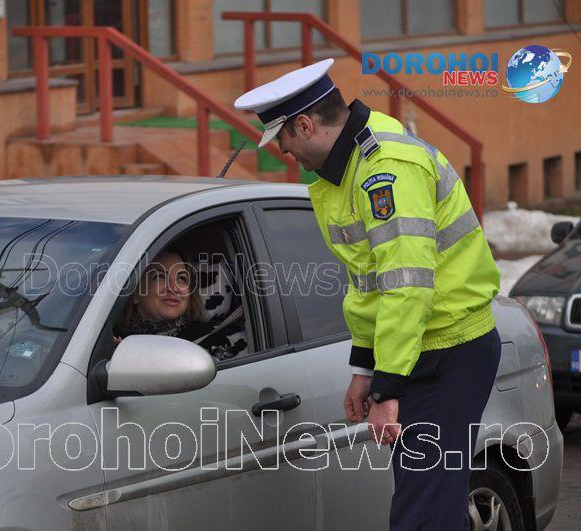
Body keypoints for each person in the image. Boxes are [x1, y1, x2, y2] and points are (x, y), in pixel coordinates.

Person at [235, 58, 501, 530]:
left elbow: (406, 287)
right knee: (431, 506)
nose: (284, 151)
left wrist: (387, 389)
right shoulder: (347, 168)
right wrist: (365, 368)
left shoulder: (386, 170)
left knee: (423, 514)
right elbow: (367, 282)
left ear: (305, 124)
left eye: (283, 138)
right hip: (418, 348)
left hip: (449, 349)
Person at [114, 246, 247, 361]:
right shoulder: (109, 340)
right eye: (160, 276)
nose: (174, 288)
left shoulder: (216, 340)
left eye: (181, 279)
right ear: (135, 294)